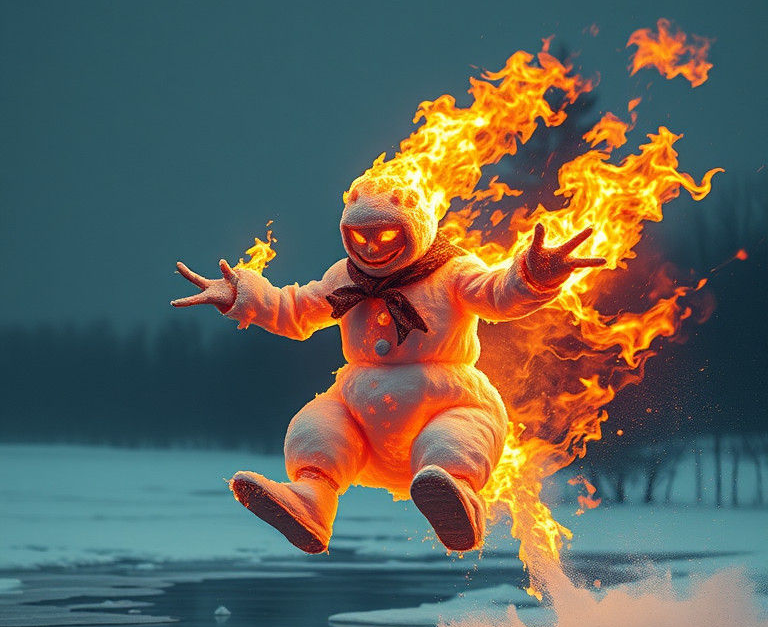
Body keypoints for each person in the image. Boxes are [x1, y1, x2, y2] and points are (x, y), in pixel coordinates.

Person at [173, 177, 603, 553]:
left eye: (385, 234)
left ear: (414, 225)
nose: (372, 247)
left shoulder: (453, 270)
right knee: (318, 425)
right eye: (360, 237)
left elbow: (497, 294)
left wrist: (533, 275)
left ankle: (456, 496)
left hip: (444, 399)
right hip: (361, 408)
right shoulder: (343, 277)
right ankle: (311, 501)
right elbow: (295, 308)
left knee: (455, 438)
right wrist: (241, 296)